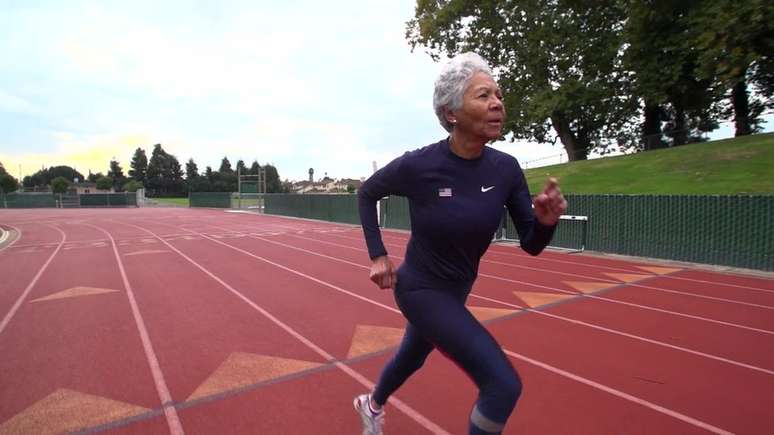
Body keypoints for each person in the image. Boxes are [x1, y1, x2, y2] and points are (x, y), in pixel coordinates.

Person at [353, 52, 567, 435]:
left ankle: (371, 405)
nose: (498, 102)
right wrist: (378, 255)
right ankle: (373, 405)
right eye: (483, 95)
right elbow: (367, 193)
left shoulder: (506, 169)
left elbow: (532, 244)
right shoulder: (419, 166)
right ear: (451, 112)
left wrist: (546, 222)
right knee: (502, 386)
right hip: (419, 288)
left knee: (412, 356)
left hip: (458, 289)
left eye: (499, 94)